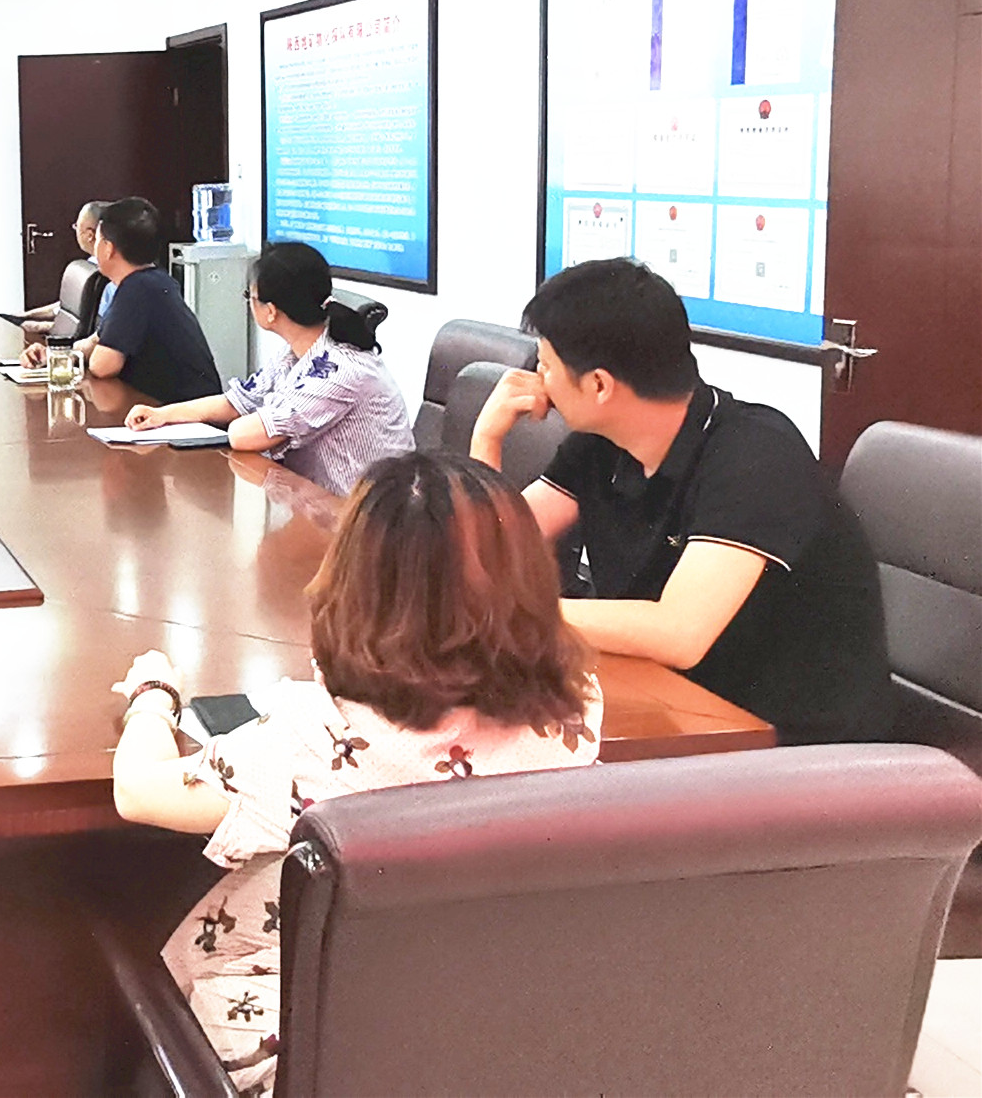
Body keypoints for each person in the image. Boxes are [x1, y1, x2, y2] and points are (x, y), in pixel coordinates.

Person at [108, 453, 602, 1092]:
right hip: (486, 1029)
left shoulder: (315, 739)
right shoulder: (577, 708)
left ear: (353, 585)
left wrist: (152, 695)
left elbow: (139, 791)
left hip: (312, 1048)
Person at [469, 257, 893, 745]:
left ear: (599, 385)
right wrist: (486, 440)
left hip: (796, 743)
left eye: (545, 365)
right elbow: (491, 554)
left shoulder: (755, 454)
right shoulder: (601, 444)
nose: (536, 379)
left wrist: (515, 613)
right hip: (677, 703)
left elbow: (679, 633)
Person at [122, 243, 413, 494]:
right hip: (321, 504)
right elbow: (237, 402)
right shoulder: (294, 354)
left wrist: (261, 412)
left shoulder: (338, 369)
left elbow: (244, 434)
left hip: (367, 520)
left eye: (249, 297)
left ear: (271, 311)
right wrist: (163, 415)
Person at [20, 196, 220, 405]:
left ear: (108, 248)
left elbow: (102, 366)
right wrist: (54, 355)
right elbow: (95, 341)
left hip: (189, 417)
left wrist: (77, 356)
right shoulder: (152, 280)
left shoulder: (137, 289)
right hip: (172, 408)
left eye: (98, 240)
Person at [21, 201, 115, 337]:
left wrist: (44, 326)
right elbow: (69, 307)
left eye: (77, 226)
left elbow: (98, 329)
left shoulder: (110, 279)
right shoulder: (91, 263)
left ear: (90, 235)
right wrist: (26, 315)